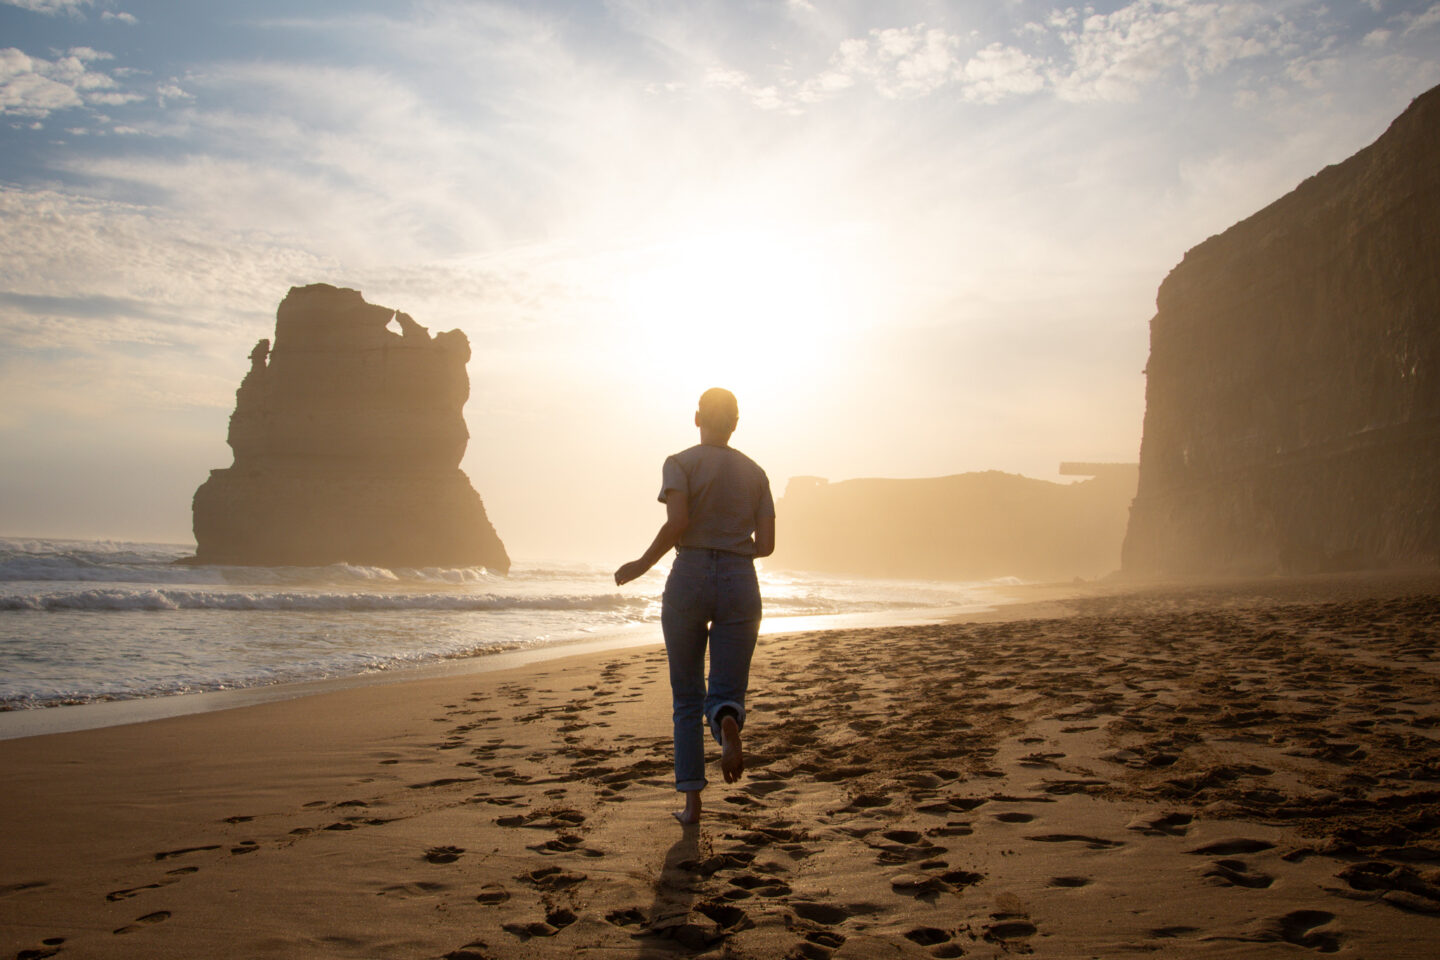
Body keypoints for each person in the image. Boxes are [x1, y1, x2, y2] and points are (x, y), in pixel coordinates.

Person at [615, 388, 776, 825]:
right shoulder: (756, 473)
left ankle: (691, 804)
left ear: (696, 418)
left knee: (687, 696)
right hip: (742, 580)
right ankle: (726, 724)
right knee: (725, 690)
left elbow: (679, 522)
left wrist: (642, 564)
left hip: (689, 577)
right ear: (736, 424)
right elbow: (767, 545)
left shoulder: (679, 463)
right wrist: (733, 550)